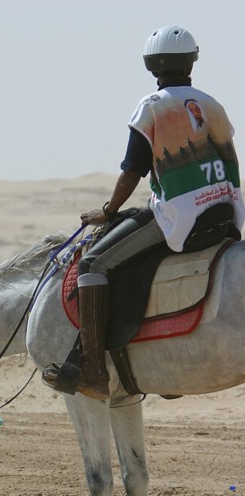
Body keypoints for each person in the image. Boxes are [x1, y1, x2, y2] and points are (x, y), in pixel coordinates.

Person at [43, 24, 245, 401]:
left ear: (153, 68)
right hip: (225, 214)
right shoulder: (212, 105)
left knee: (93, 267)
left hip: (183, 218)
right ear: (191, 63)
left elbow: (133, 170)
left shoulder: (152, 107)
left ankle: (92, 370)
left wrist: (109, 210)